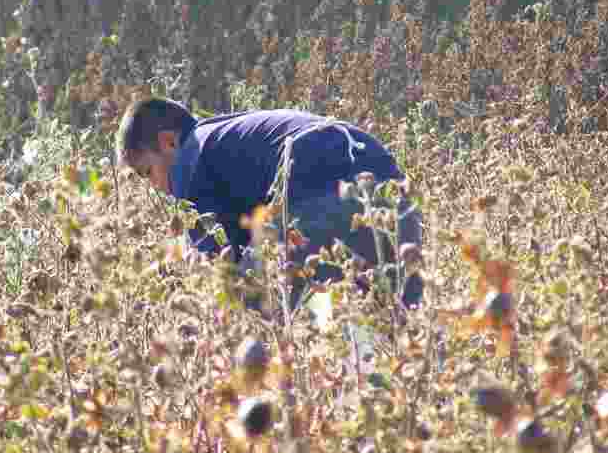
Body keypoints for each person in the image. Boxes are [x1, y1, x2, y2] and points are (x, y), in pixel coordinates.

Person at [115, 97, 423, 312]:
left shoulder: (190, 156)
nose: (154, 186)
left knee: (246, 308)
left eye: (147, 172)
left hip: (320, 192)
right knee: (397, 337)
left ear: (169, 142)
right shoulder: (225, 137)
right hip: (393, 194)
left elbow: (214, 272)